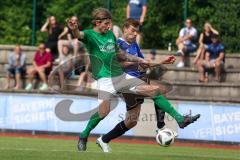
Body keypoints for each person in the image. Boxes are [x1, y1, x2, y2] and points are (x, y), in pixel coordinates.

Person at [67, 8, 200, 153]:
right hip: (105, 80)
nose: (109, 27)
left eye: (110, 23)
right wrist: (74, 29)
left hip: (120, 77)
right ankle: (84, 135)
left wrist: (139, 59)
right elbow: (78, 34)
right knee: (103, 112)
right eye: (106, 24)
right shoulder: (89, 35)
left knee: (154, 90)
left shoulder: (111, 34)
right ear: (98, 23)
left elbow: (121, 54)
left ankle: (180, 120)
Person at [99, 18, 178, 149]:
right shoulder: (117, 45)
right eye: (133, 30)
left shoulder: (134, 44)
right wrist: (139, 64)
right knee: (158, 90)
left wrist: (158, 63)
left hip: (138, 81)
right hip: (127, 85)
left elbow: (143, 62)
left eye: (137, 31)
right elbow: (118, 65)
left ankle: (104, 139)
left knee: (131, 122)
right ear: (125, 29)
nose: (135, 34)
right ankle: (161, 127)